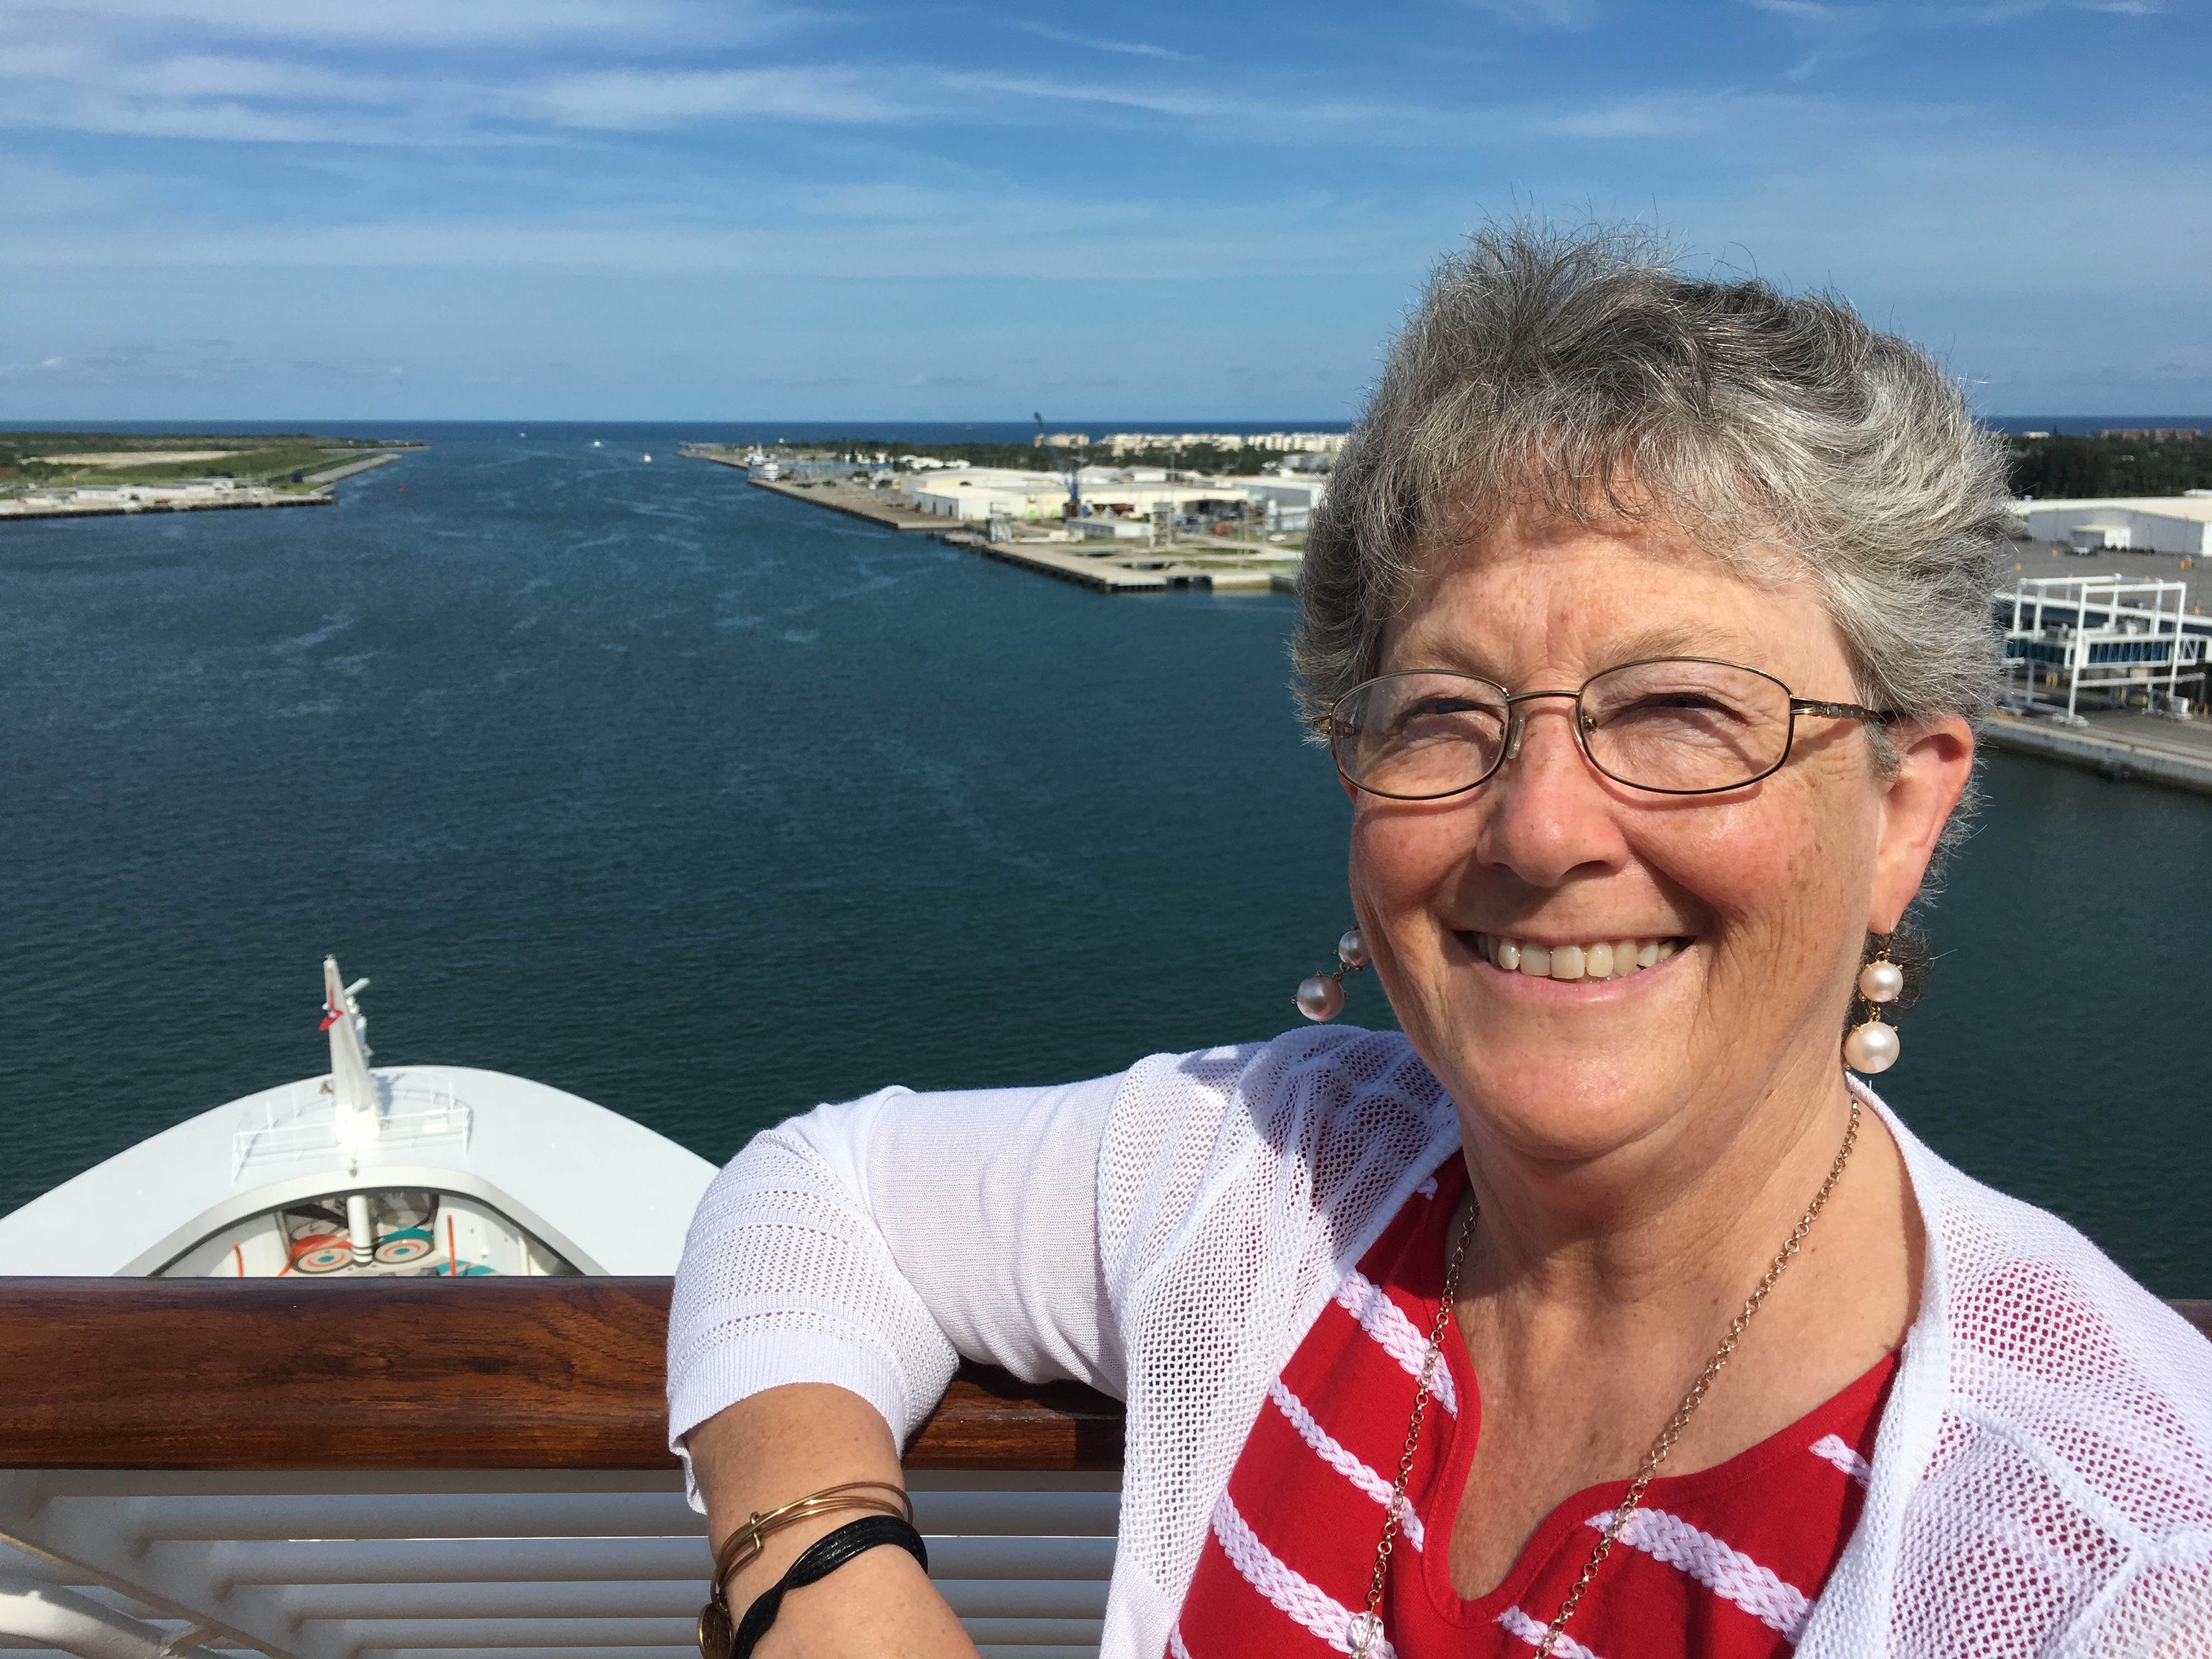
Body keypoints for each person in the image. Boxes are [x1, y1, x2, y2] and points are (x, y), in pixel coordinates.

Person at [667, 223, 2212, 1658]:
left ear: (1903, 809)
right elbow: (819, 1194)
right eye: (1445, 714)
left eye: (1682, 709)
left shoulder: (2121, 1559)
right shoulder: (1277, 1176)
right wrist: (821, 1573)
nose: (1540, 829)